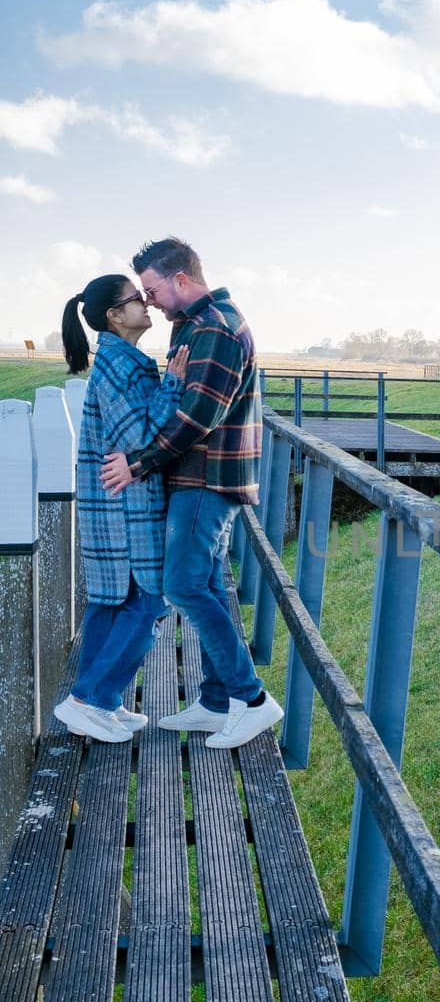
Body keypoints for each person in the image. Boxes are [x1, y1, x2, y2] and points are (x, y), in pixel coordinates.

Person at [101, 238, 282, 749]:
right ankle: (217, 700)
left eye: (153, 289)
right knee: (204, 584)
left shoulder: (217, 329)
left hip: (208, 477)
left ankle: (251, 700)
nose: (149, 300)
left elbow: (199, 416)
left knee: (182, 586)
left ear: (181, 279)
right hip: (197, 476)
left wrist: (137, 463)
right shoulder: (195, 323)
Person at [55, 274, 189, 742]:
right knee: (147, 601)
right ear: (115, 315)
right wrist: (172, 385)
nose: (146, 303)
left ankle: (101, 701)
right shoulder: (119, 365)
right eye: (137, 299)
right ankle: (87, 699)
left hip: (115, 504)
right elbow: (137, 439)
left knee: (112, 603)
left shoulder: (120, 360)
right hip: (124, 508)